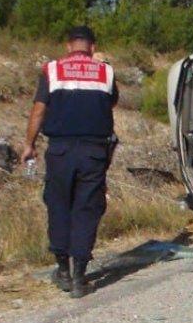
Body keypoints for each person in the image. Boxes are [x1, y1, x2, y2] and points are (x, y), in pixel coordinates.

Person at [20, 26, 119, 298]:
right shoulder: (106, 72)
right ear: (92, 46)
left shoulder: (52, 70)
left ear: (68, 46)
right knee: (87, 208)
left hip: (61, 150)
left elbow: (39, 110)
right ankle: (79, 276)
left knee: (58, 205)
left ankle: (62, 269)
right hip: (93, 152)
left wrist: (29, 144)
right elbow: (108, 105)